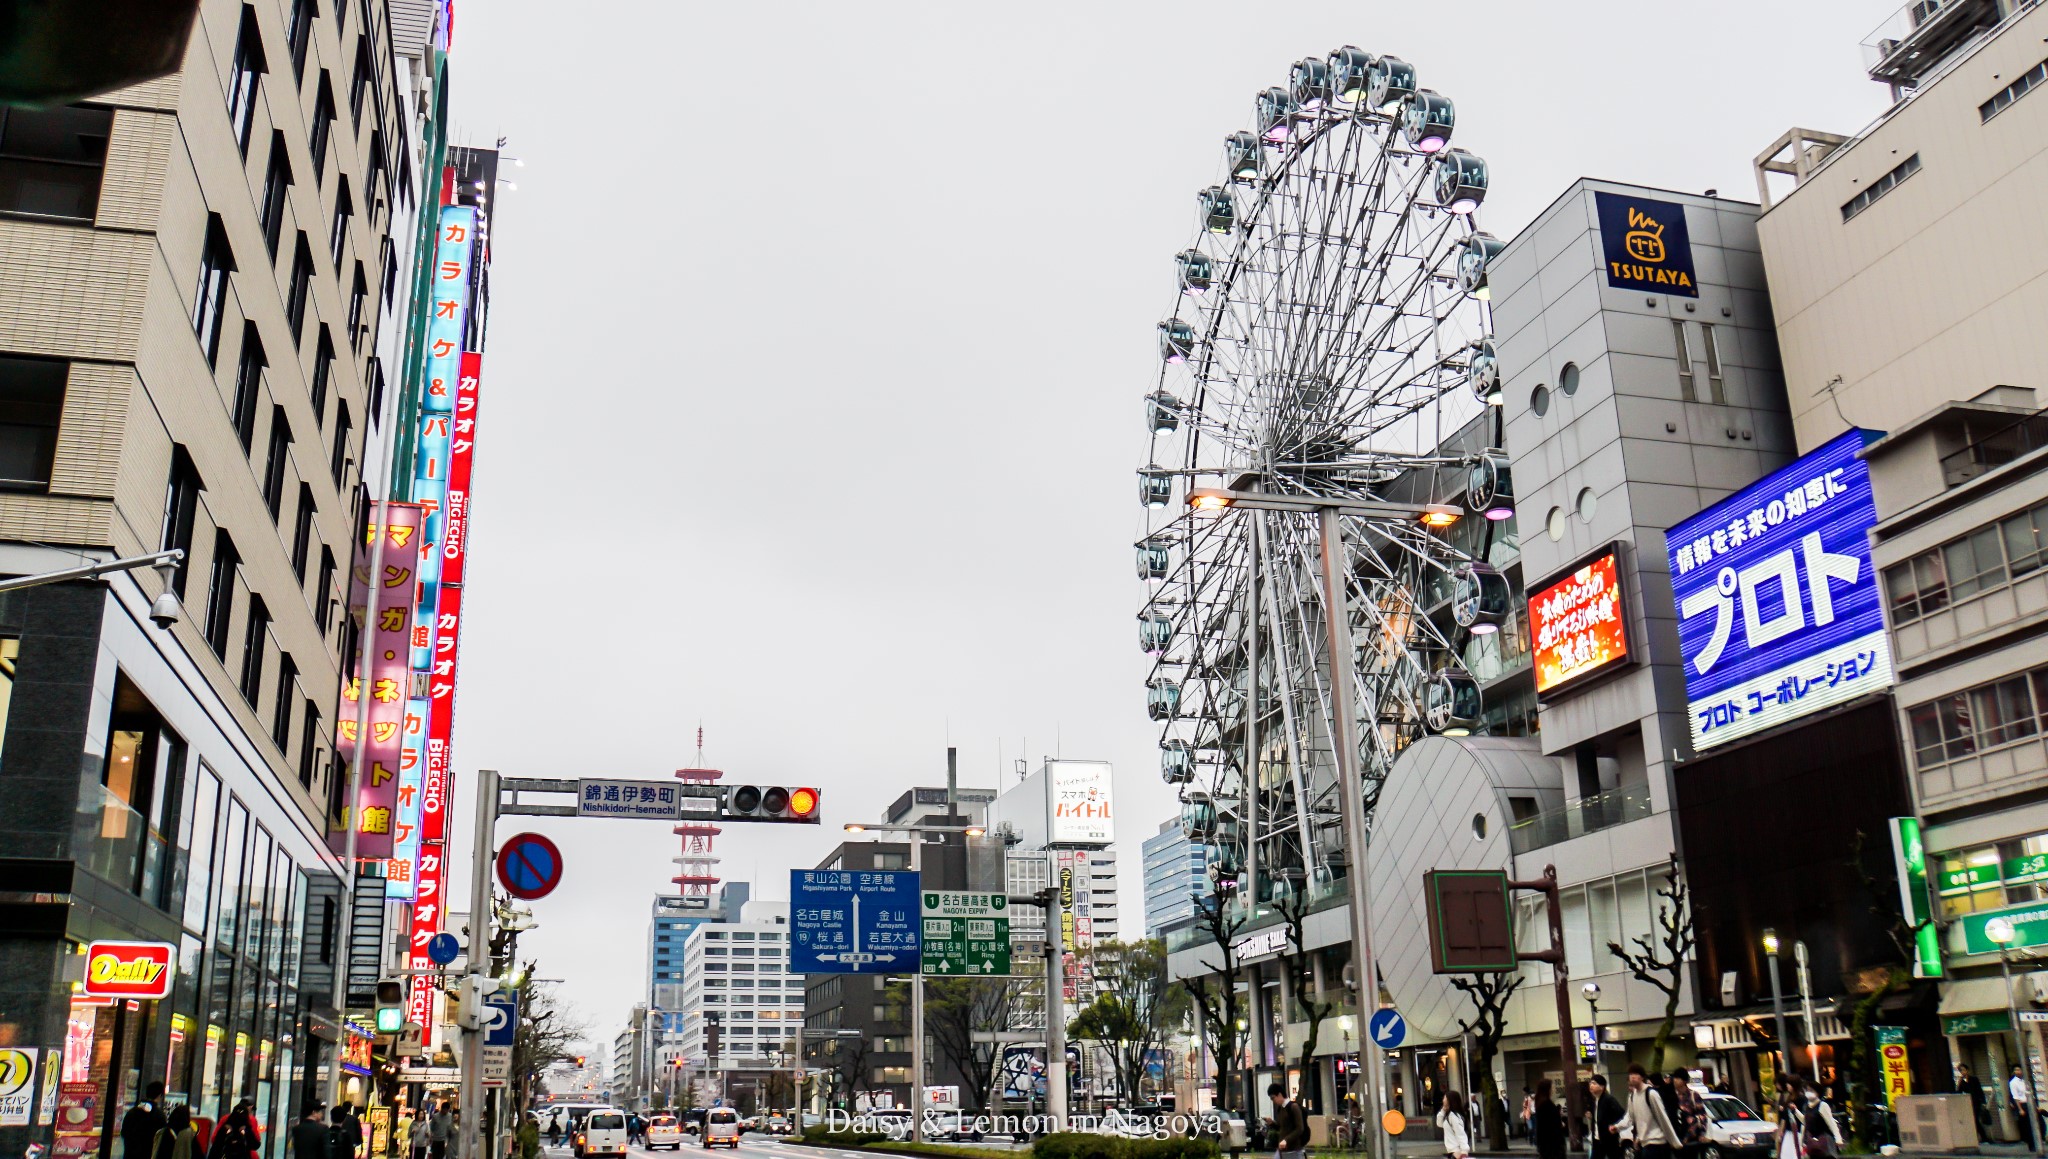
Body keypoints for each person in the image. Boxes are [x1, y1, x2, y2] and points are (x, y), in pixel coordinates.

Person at [1626, 1064, 1681, 1159]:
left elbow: (1663, 1118)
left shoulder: (1651, 1094)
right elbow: (1631, 1118)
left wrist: (1674, 1142)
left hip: (1657, 1143)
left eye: (1636, 1074)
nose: (1633, 1077)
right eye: (1631, 1074)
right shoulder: (1632, 1097)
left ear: (1642, 1077)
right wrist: (1617, 1126)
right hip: (1645, 1144)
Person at [1669, 1068, 1708, 1158]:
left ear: (1684, 1081)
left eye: (1677, 1078)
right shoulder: (1672, 1097)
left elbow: (1702, 1115)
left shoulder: (1693, 1095)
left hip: (1691, 1139)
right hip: (1677, 1138)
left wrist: (1702, 1133)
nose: (1674, 1080)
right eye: (1674, 1078)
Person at [123, 1083, 169, 1159]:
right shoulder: (159, 1115)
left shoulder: (131, 1112)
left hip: (130, 1154)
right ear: (160, 1096)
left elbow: (124, 1133)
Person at [1799, 1080, 1843, 1157]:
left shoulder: (1823, 1105)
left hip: (1825, 1141)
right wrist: (1795, 1111)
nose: (1808, 1092)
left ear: (1817, 1092)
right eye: (1807, 1090)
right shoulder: (1807, 1106)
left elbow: (1831, 1122)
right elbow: (1805, 1122)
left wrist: (1838, 1138)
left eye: (1811, 1090)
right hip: (1812, 1142)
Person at [1587, 1074, 1626, 1159]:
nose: (1591, 1085)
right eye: (1590, 1083)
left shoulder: (1609, 1099)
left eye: (1594, 1083)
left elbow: (1621, 1114)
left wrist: (1614, 1126)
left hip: (1609, 1139)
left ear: (1602, 1086)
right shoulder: (1594, 1100)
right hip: (1597, 1139)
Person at [1268, 1083, 1309, 1159]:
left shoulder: (1293, 1107)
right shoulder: (1280, 1109)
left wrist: (1286, 1140)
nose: (1273, 1101)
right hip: (1282, 1149)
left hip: (1294, 1149)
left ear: (1279, 1094)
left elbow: (1300, 1128)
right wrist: (1272, 1123)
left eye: (1273, 1098)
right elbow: (1282, 1128)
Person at [1533, 1080, 1567, 1159]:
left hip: (1546, 1142)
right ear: (1547, 1089)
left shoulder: (1541, 1103)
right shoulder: (1546, 1104)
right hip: (1551, 1142)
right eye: (1552, 1087)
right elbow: (1550, 1123)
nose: (1554, 1089)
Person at [1436, 1090, 1471, 1159]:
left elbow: (1460, 1133)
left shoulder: (1454, 1116)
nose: (1443, 1100)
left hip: (1456, 1153)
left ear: (1449, 1100)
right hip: (1452, 1151)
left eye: (1444, 1098)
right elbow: (1439, 1124)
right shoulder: (1449, 1115)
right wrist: (1443, 1110)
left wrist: (1464, 1151)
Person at [1959, 1064, 1990, 1140]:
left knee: (1975, 1119)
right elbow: (1959, 1092)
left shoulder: (1974, 1079)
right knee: (1973, 1120)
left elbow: (1979, 1090)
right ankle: (1980, 1137)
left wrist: (1983, 1102)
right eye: (1961, 1070)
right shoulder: (1962, 1082)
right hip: (1968, 1103)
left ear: (1967, 1070)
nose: (1963, 1072)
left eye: (1964, 1070)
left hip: (1976, 1102)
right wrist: (1959, 1083)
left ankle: (1984, 1137)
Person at [2017, 1066, 2037, 1148]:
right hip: (2023, 1105)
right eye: (2016, 1070)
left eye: (2019, 1070)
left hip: (2030, 1104)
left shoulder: (2026, 1081)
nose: (2017, 1072)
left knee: (2034, 1124)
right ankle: (2031, 1144)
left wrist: (2035, 1106)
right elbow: (2015, 1097)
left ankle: (2035, 1142)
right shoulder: (2014, 1082)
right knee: (2028, 1125)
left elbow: (2031, 1094)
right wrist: (2020, 1109)